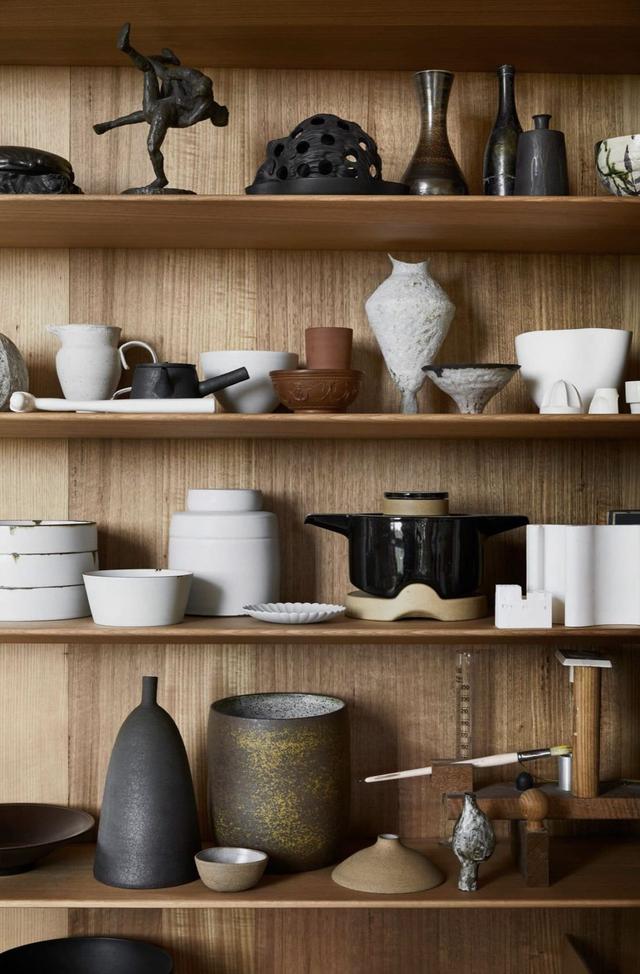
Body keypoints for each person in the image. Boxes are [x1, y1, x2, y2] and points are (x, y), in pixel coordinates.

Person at [93, 23, 229, 192]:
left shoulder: (204, 106)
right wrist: (168, 77)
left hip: (165, 110)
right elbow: (172, 75)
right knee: (149, 68)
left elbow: (185, 121)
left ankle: (160, 178)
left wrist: (176, 104)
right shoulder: (198, 80)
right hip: (164, 102)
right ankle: (129, 49)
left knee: (150, 136)